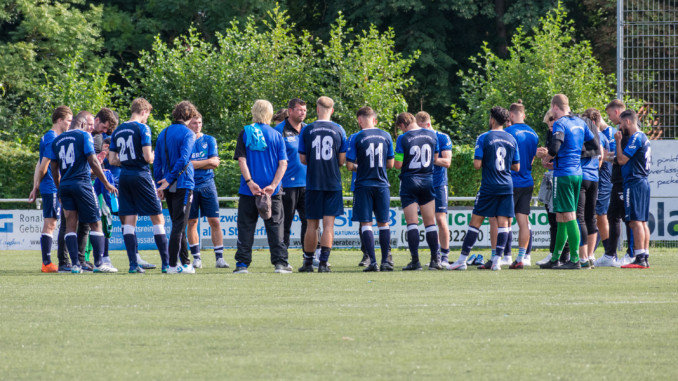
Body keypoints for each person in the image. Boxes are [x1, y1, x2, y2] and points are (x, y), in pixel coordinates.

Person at [447, 106, 519, 271]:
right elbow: (516, 166)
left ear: (492, 119)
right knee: (503, 224)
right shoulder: (511, 139)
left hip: (489, 186)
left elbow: (477, 165)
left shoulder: (484, 137)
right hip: (506, 185)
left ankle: (462, 260)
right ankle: (497, 262)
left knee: (475, 223)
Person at [47, 111, 117, 273]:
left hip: (65, 185)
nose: (91, 128)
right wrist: (106, 183)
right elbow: (92, 161)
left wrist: (59, 188)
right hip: (82, 183)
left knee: (71, 224)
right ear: (83, 123)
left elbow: (53, 167)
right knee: (96, 222)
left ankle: (75, 265)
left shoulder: (57, 140)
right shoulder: (84, 136)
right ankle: (100, 264)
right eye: (90, 124)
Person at [109, 98, 171, 273]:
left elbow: (112, 160)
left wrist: (128, 160)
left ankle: (133, 265)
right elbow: (147, 158)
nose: (147, 119)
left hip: (124, 177)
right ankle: (166, 264)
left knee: (129, 220)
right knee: (157, 218)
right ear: (144, 112)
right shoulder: (143, 128)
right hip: (141, 175)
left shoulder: (118, 130)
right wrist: (151, 154)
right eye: (148, 115)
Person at [536, 94, 597, 270]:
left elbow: (555, 147)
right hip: (577, 173)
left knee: (569, 216)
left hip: (563, 174)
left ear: (555, 107)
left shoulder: (560, 123)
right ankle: (556, 258)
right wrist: (575, 154)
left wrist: (547, 158)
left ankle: (576, 259)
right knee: (561, 216)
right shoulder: (580, 122)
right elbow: (593, 145)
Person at [232, 99, 289, 273]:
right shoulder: (276, 134)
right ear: (270, 113)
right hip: (272, 191)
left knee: (246, 227)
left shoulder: (246, 132)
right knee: (276, 227)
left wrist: (250, 182)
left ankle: (242, 264)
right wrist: (273, 185)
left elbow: (242, 160)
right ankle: (280, 263)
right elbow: (283, 163)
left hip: (249, 190)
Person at [297, 96, 347, 273]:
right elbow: (342, 160)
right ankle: (324, 263)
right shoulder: (339, 129)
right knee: (329, 225)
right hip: (332, 182)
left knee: (312, 225)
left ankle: (308, 263)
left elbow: (302, 159)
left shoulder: (307, 129)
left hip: (313, 182)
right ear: (332, 110)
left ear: (317, 109)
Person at [346, 106, 395, 272]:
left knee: (366, 223)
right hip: (382, 184)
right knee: (384, 223)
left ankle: (372, 262)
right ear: (374, 119)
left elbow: (349, 165)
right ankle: (386, 261)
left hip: (363, 185)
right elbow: (390, 164)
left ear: (360, 120)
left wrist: (362, 166)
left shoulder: (356, 137)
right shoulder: (386, 135)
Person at [155, 101, 198, 274]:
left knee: (177, 225)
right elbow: (184, 159)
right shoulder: (188, 133)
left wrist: (161, 183)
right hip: (182, 183)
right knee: (179, 226)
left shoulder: (163, 133)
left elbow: (157, 161)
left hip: (168, 184)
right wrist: (169, 180)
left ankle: (185, 263)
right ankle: (173, 265)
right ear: (190, 115)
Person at [28, 106, 72, 273]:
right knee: (51, 223)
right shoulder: (52, 138)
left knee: (53, 223)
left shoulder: (50, 136)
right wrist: (41, 186)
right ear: (59, 120)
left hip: (49, 186)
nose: (69, 124)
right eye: (68, 120)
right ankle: (46, 263)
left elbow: (39, 164)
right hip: (52, 187)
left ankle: (48, 262)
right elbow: (44, 166)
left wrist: (35, 187)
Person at [394, 112, 440, 271]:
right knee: (430, 223)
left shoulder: (403, 138)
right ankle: (435, 260)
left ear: (402, 125)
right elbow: (435, 157)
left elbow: (398, 164)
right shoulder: (432, 135)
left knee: (412, 223)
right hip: (427, 180)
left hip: (409, 181)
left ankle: (415, 261)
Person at [186, 113, 229, 269]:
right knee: (191, 222)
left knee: (215, 221)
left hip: (207, 184)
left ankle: (219, 258)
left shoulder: (209, 140)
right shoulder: (185, 141)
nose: (197, 125)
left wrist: (193, 164)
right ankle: (196, 258)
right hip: (189, 185)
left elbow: (214, 163)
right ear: (187, 124)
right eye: (194, 123)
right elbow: (185, 164)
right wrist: (205, 162)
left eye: (199, 122)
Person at [596, 99, 634, 267]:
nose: (609, 118)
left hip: (625, 181)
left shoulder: (627, 133)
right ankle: (610, 254)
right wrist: (608, 156)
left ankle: (632, 253)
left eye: (610, 114)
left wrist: (607, 156)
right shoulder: (620, 132)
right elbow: (617, 157)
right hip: (616, 180)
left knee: (628, 218)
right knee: (612, 215)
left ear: (617, 113)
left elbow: (623, 158)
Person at [415, 111, 453, 267]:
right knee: (427, 221)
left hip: (438, 184)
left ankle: (445, 255)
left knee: (440, 219)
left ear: (428, 124)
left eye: (421, 128)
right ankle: (435, 255)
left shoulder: (442, 137)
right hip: (422, 184)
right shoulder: (417, 138)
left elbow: (447, 161)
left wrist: (431, 159)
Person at [504, 100, 539, 268]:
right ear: (523, 115)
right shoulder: (534, 134)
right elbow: (532, 158)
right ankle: (522, 257)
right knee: (523, 221)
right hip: (527, 180)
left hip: (510, 180)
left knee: (504, 220)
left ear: (511, 115)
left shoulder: (508, 132)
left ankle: (504, 255)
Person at [616, 110, 651, 268]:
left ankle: (639, 258)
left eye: (622, 123)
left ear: (628, 122)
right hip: (642, 181)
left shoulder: (636, 137)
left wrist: (618, 142)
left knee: (635, 222)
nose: (620, 126)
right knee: (642, 221)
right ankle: (644, 255)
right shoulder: (644, 137)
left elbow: (622, 160)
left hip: (634, 182)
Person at [536, 111, 570, 265]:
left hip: (561, 177)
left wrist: (549, 155)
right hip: (551, 177)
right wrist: (544, 157)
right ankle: (555, 253)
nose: (550, 128)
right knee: (553, 218)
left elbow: (561, 154)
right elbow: (549, 161)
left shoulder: (562, 132)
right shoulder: (551, 134)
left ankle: (564, 254)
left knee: (561, 218)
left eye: (551, 125)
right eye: (548, 126)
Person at [275, 99, 308, 253]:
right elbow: (273, 160)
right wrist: (276, 181)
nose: (303, 113)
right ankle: (283, 257)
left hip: (308, 184)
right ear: (290, 111)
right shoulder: (278, 130)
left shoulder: (308, 130)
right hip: (287, 184)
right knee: (285, 223)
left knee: (309, 222)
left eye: (305, 110)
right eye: (299, 110)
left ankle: (309, 256)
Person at [577, 109, 605, 268]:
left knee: (579, 216)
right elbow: (601, 160)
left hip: (582, 176)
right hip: (595, 178)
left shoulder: (583, 134)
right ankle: (591, 255)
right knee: (590, 217)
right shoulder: (599, 137)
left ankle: (582, 256)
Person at [587, 110, 613, 262]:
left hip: (602, 182)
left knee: (600, 216)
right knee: (597, 217)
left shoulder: (598, 137)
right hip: (601, 181)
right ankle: (605, 252)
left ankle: (609, 253)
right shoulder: (599, 136)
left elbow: (598, 161)